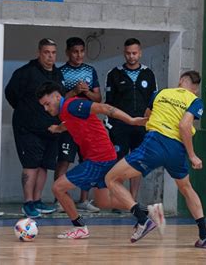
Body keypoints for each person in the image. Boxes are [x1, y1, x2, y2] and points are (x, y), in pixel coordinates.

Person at [36, 81, 163, 240]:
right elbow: (69, 123)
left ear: (56, 96)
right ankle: (149, 212)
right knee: (103, 202)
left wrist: (131, 120)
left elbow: (105, 108)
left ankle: (80, 227)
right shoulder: (66, 111)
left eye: (47, 104)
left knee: (58, 188)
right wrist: (57, 129)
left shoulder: (73, 105)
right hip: (104, 155)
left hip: (98, 158)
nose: (46, 109)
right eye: (43, 106)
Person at [105, 71, 206, 248]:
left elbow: (147, 117)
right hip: (176, 150)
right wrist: (192, 155)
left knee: (111, 179)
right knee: (186, 188)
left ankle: (143, 219)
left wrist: (132, 122)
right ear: (195, 89)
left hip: (154, 143)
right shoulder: (195, 100)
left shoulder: (160, 93)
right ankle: (205, 235)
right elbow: (185, 125)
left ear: (180, 81)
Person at [5, 38, 64, 218]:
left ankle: (38, 200)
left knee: (44, 165)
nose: (50, 56)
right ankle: (28, 203)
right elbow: (11, 94)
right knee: (31, 165)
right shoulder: (25, 73)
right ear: (39, 53)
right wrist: (28, 112)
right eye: (46, 52)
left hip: (51, 128)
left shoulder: (58, 74)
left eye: (53, 53)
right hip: (27, 128)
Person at [105, 38, 157, 203]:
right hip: (120, 126)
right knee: (119, 163)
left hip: (141, 126)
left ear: (140, 53)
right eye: (128, 53)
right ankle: (118, 200)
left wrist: (150, 124)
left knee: (136, 163)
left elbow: (154, 101)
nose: (131, 56)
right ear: (124, 53)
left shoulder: (148, 74)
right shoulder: (114, 74)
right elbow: (108, 103)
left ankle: (132, 200)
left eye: (134, 53)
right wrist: (111, 125)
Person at [57, 37, 102, 213]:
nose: (79, 55)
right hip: (68, 122)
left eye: (82, 51)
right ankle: (60, 200)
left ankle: (83, 200)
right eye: (75, 51)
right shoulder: (61, 72)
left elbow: (98, 99)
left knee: (88, 161)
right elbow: (59, 100)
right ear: (68, 52)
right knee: (64, 160)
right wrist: (74, 91)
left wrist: (87, 92)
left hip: (87, 124)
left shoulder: (90, 71)